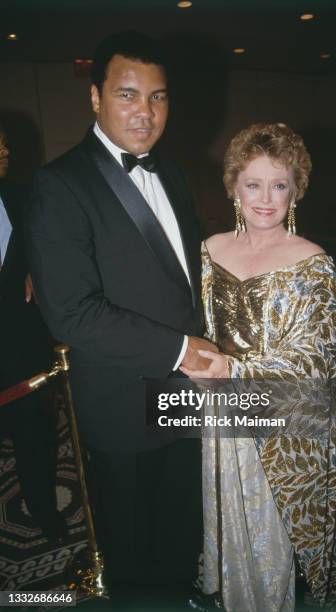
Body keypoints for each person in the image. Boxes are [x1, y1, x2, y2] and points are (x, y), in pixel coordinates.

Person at [26, 31, 216, 598]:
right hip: (121, 400)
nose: (145, 112)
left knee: (184, 523)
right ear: (95, 98)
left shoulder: (175, 173)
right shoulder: (60, 183)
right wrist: (182, 350)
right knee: (132, 544)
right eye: (128, 94)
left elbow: (182, 281)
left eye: (158, 97)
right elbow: (73, 316)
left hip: (186, 392)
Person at [181, 123, 336, 611]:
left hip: (274, 426)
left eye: (279, 184)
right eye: (253, 183)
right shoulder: (207, 253)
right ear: (234, 185)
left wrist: (234, 369)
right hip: (212, 411)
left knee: (264, 527)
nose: (266, 198)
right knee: (220, 511)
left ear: (297, 189)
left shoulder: (314, 265)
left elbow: (317, 360)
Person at [0, 121, 66, 542]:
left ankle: (44, 511)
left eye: (5, 144)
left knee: (34, 435)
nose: (5, 152)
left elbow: (49, 245)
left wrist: (37, 273)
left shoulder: (21, 197)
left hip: (21, 342)